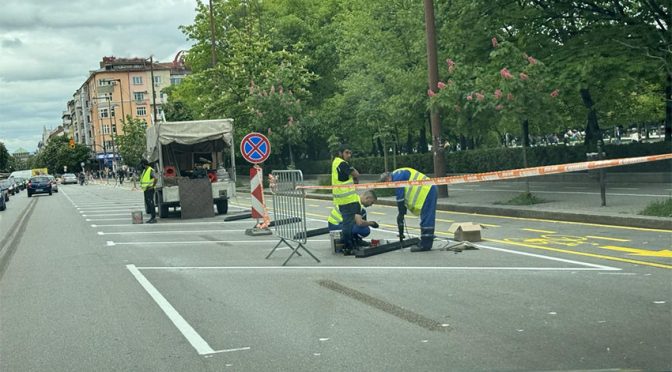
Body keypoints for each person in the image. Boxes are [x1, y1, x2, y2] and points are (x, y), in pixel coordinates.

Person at [380, 168, 437, 252]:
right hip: (428, 190)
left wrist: (401, 213)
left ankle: (425, 245)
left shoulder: (397, 176)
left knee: (427, 218)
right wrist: (402, 212)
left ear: (388, 179)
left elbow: (400, 196)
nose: (390, 186)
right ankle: (426, 241)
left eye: (387, 184)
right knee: (426, 218)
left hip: (427, 191)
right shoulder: (398, 173)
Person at [331, 144, 361, 254]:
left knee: (349, 223)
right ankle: (348, 246)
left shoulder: (337, 163)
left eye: (350, 153)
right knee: (348, 224)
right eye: (347, 152)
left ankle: (351, 242)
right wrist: (355, 175)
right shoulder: (341, 163)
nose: (349, 155)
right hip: (346, 199)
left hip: (346, 198)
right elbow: (356, 174)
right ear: (340, 153)